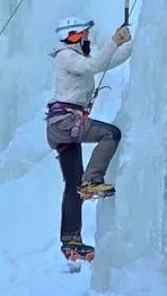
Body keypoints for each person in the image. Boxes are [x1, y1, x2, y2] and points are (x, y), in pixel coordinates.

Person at [46, 16, 132, 261]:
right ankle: (93, 179)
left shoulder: (74, 58)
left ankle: (70, 241)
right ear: (73, 35)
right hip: (66, 123)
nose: (87, 38)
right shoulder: (65, 56)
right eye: (84, 34)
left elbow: (106, 63)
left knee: (73, 185)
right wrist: (114, 40)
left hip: (61, 127)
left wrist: (130, 44)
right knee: (110, 133)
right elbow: (94, 66)